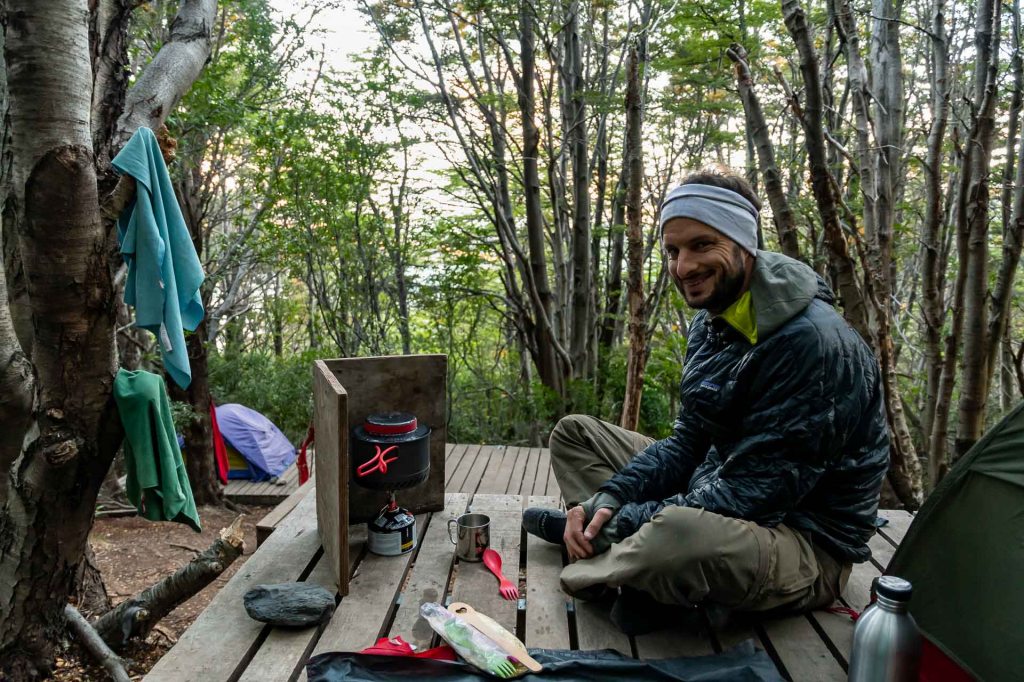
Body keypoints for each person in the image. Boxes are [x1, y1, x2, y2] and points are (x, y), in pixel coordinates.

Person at [522, 170, 890, 635]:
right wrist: (611, 497)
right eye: (673, 251)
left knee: (678, 535)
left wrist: (619, 521)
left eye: (701, 245)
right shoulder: (716, 315)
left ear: (744, 243)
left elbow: (753, 496)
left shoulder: (812, 343)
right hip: (718, 481)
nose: (683, 267)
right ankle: (625, 559)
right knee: (575, 434)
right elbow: (688, 443)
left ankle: (601, 554)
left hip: (801, 540)